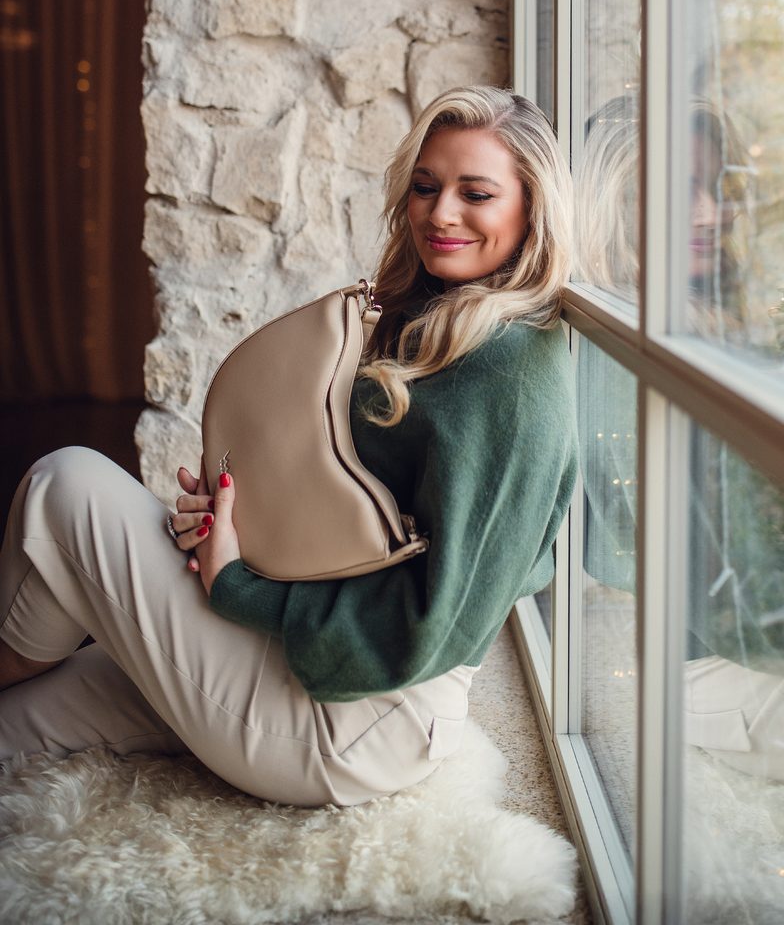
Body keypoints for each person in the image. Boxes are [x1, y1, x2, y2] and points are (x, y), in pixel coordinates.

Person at [0, 86, 578, 807]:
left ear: (532, 209)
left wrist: (238, 585)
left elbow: (435, 627)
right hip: (309, 658)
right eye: (426, 187)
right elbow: (359, 511)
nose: (440, 213)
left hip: (359, 715)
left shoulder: (511, 370)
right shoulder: (435, 316)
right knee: (18, 725)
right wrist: (236, 530)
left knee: (65, 484)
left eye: (478, 194)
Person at [575, 91, 784, 782]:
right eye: (676, 189)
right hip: (715, 670)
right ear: (614, 204)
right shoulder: (625, 347)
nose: (709, 211)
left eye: (718, 185)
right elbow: (725, 601)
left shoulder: (700, 314)